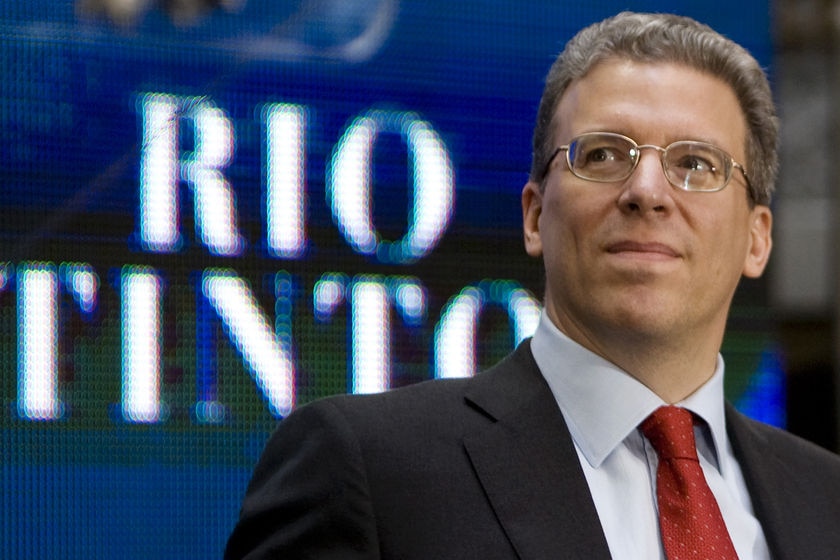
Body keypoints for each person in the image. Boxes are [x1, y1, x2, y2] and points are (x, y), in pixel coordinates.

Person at [224, 12, 840, 559]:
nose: (648, 192)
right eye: (602, 155)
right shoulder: (366, 467)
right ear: (533, 216)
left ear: (758, 238)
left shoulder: (826, 499)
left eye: (695, 165)